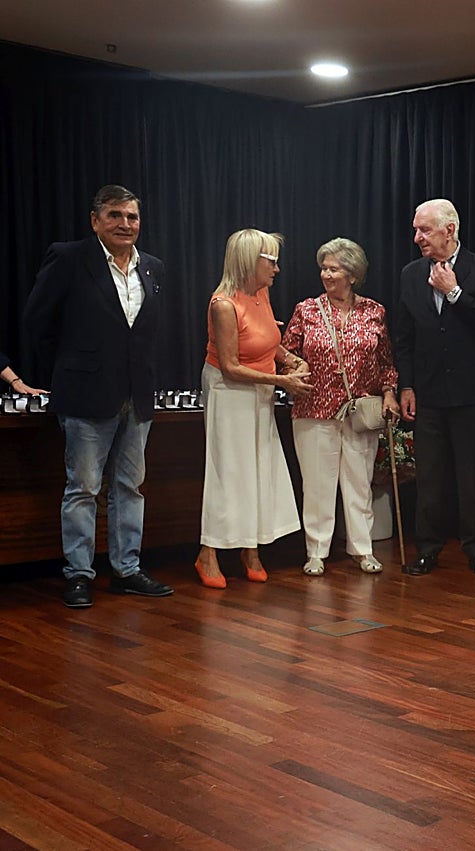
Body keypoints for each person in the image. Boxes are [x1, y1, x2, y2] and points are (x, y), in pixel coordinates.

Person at [23, 184, 174, 608]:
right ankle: (78, 575)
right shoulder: (70, 258)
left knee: (131, 487)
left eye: (132, 217)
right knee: (84, 488)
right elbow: (38, 321)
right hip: (86, 394)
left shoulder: (154, 267)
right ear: (95, 221)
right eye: (115, 215)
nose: (125, 224)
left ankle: (127, 569)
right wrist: (75, 363)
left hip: (137, 396)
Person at [193, 229, 312, 589]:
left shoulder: (261, 293)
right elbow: (230, 366)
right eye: (271, 260)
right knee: (229, 473)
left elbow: (267, 340)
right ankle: (208, 553)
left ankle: (251, 549)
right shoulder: (224, 304)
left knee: (260, 469)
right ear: (249, 261)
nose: (276, 269)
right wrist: (284, 383)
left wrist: (289, 360)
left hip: (259, 391)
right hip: (230, 392)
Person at [393, 199, 475, 577]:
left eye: (424, 230)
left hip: (474, 393)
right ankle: (427, 549)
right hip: (428, 393)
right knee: (429, 476)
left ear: (449, 230)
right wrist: (405, 385)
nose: (417, 237)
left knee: (472, 477)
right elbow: (404, 338)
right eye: (415, 230)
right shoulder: (410, 274)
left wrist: (455, 293)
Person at [281, 238, 401, 576]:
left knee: (359, 483)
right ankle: (316, 551)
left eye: (334, 268)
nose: (326, 274)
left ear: (352, 274)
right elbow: (285, 352)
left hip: (358, 410)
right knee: (317, 486)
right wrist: (293, 369)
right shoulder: (306, 310)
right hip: (314, 409)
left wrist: (390, 393)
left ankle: (362, 549)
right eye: (324, 268)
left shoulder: (374, 311)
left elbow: (385, 361)